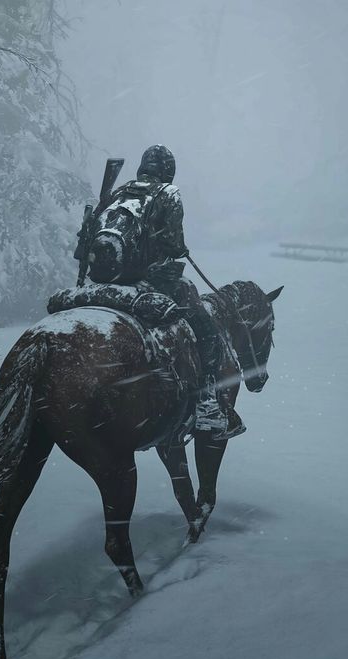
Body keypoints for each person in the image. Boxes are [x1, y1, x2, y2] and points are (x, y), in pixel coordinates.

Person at [89, 145, 244, 439]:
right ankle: (208, 403)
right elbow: (172, 243)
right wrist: (179, 248)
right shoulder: (168, 193)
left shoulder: (120, 191)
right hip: (151, 280)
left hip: (111, 281)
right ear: (168, 171)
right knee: (207, 331)